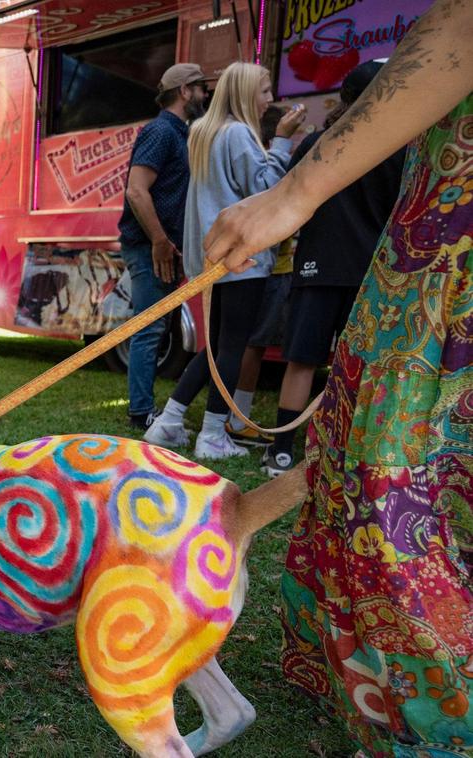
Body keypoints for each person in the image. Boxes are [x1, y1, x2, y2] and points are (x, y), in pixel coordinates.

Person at [204, 1, 471, 752]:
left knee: (391, 483)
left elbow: (462, 28)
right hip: (417, 258)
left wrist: (292, 192)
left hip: (443, 270)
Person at [143, 61, 306, 460]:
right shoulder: (237, 133)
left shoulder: (203, 131)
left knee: (215, 346)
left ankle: (168, 421)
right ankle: (213, 435)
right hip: (241, 259)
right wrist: (282, 142)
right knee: (231, 346)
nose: (271, 100)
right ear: (247, 92)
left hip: (211, 259)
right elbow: (264, 188)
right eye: (265, 90)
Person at [259, 60, 406, 478]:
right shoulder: (396, 148)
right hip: (369, 275)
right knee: (357, 366)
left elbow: (286, 199)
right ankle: (344, 451)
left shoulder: (317, 144)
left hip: (316, 268)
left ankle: (281, 452)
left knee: (302, 360)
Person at [117, 62, 209, 431]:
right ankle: (141, 413)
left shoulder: (180, 133)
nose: (206, 95)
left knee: (156, 328)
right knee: (150, 331)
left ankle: (144, 409)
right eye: (201, 87)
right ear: (184, 91)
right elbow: (136, 190)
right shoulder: (161, 131)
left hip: (163, 247)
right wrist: (158, 240)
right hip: (148, 246)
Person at [224, 102, 293, 447]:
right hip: (271, 265)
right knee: (253, 344)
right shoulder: (270, 163)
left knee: (244, 343)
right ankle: (238, 419)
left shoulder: (256, 155)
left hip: (262, 265)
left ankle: (234, 416)